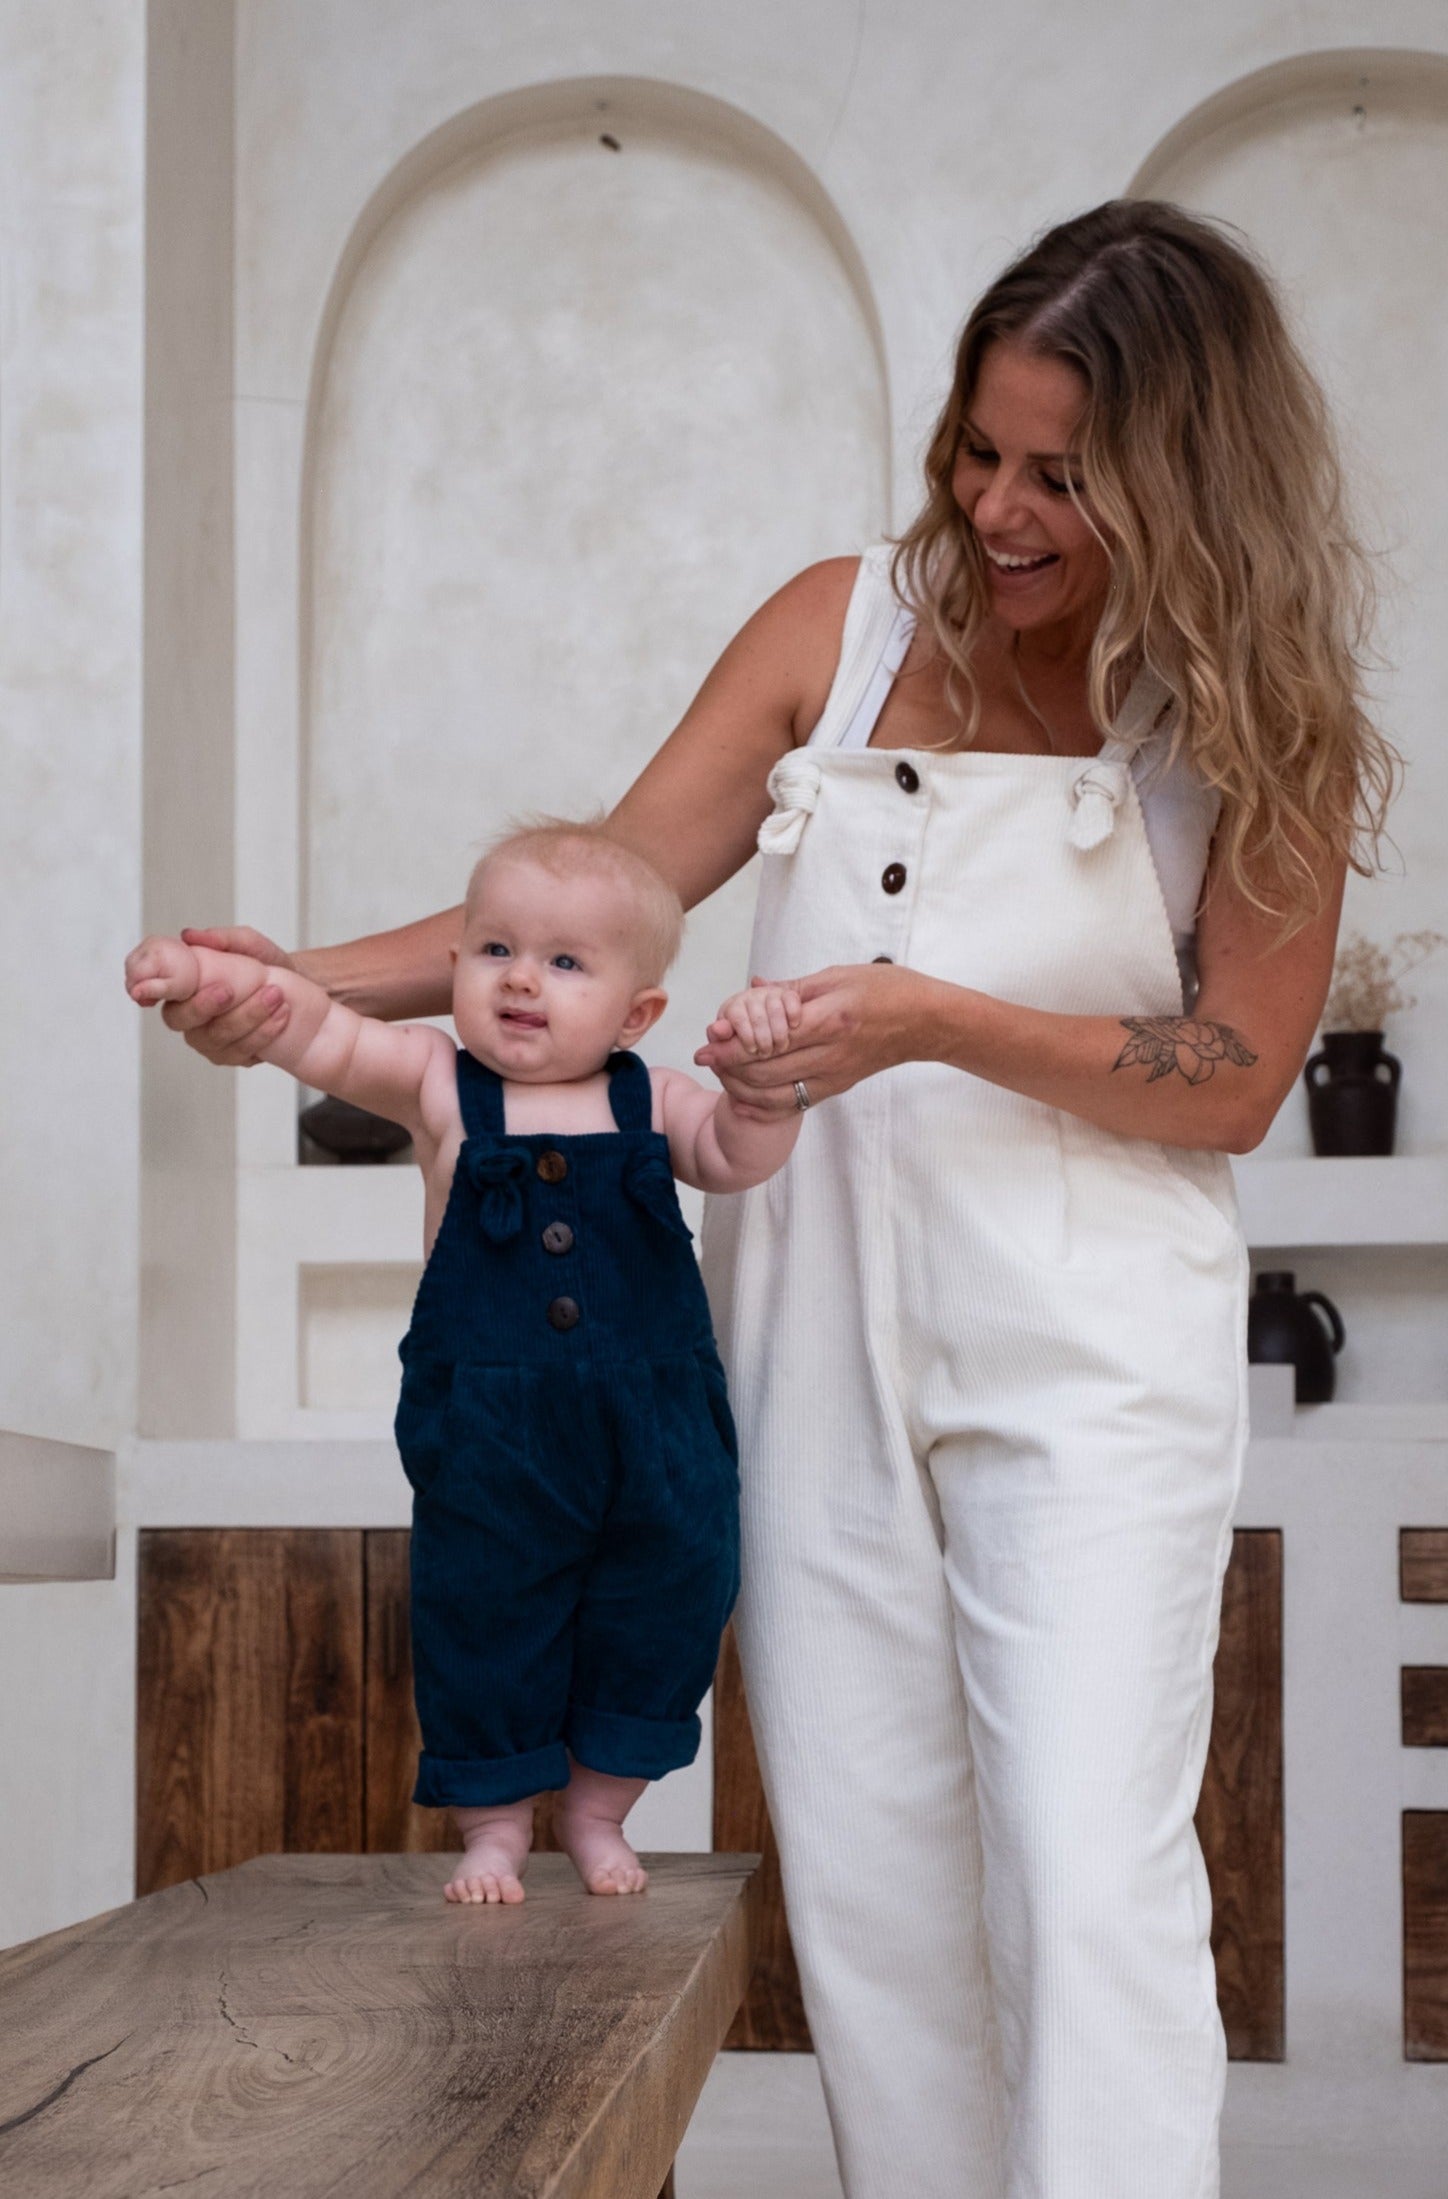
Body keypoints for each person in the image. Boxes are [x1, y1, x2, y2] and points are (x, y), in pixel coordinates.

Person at [163, 202, 1393, 2196]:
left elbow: (1240, 1071)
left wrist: (922, 1016)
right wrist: (293, 984)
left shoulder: (1256, 720)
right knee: (870, 1882)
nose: (994, 509)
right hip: (801, 1312)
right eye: (976, 451)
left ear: (1188, 478)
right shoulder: (844, 625)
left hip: (1091, 1336)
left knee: (1083, 1867)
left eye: (1060, 475)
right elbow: (599, 900)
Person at [127, 820, 803, 1905]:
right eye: (495, 950)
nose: (521, 979)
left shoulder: (656, 1096)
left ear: (635, 1014)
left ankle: (599, 1807)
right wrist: (221, 978)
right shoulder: (437, 1082)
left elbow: (732, 1156)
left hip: (658, 1417)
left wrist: (766, 1095)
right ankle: (494, 1825)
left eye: (565, 961)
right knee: (483, 1605)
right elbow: (317, 1031)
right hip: (491, 1423)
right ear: (454, 970)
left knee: (674, 1588)